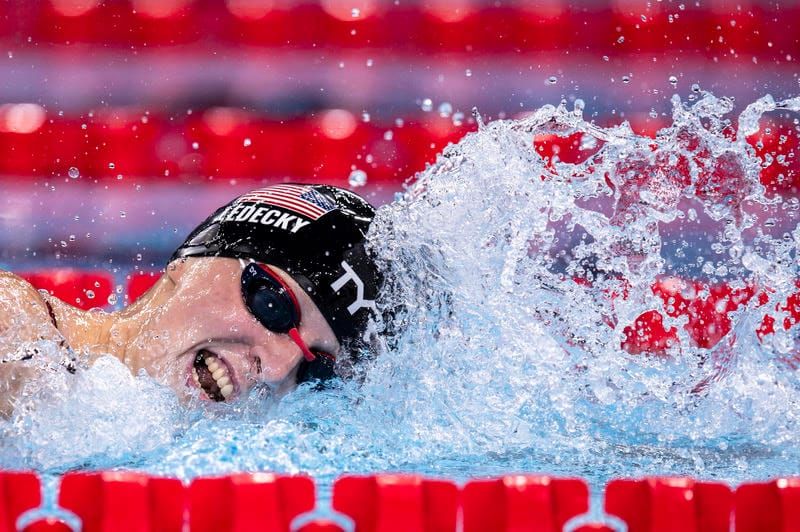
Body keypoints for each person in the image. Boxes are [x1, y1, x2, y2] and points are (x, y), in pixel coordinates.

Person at [0, 184, 381, 416]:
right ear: (191, 262)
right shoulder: (16, 325)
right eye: (273, 305)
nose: (278, 369)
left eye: (315, 371)